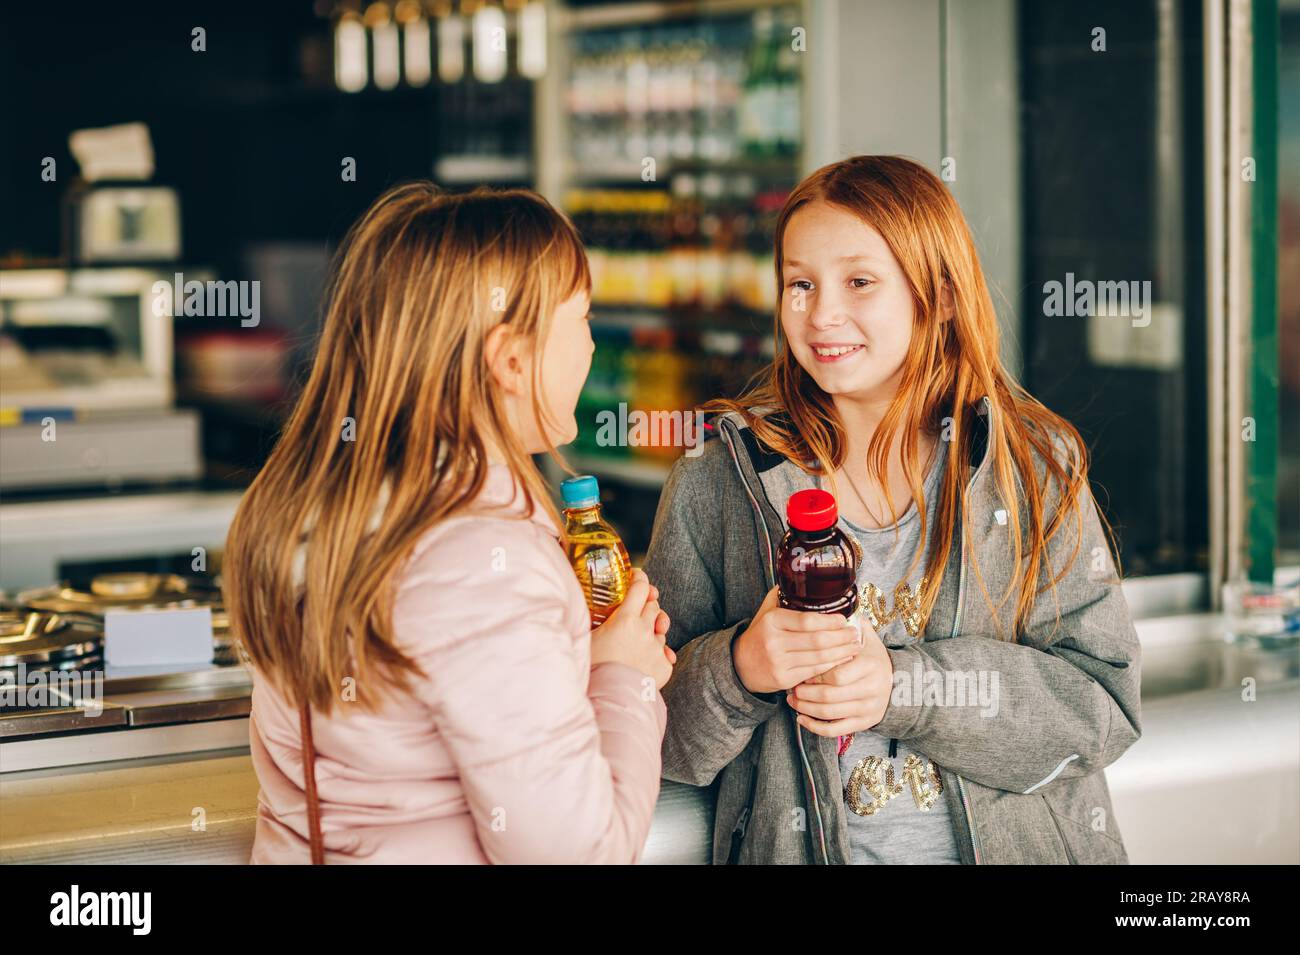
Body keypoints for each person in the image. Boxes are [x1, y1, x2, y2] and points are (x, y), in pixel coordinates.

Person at [644, 155, 1142, 864]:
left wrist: (907, 689)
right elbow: (653, 735)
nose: (821, 314)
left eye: (858, 282)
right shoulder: (718, 478)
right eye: (799, 283)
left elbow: (1104, 708)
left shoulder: (1031, 468)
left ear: (936, 295)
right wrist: (738, 667)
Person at [224, 183, 672, 864]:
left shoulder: (327, 512)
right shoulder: (481, 558)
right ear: (512, 360)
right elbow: (576, 852)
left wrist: (576, 656)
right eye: (582, 316)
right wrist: (624, 677)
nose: (589, 345)